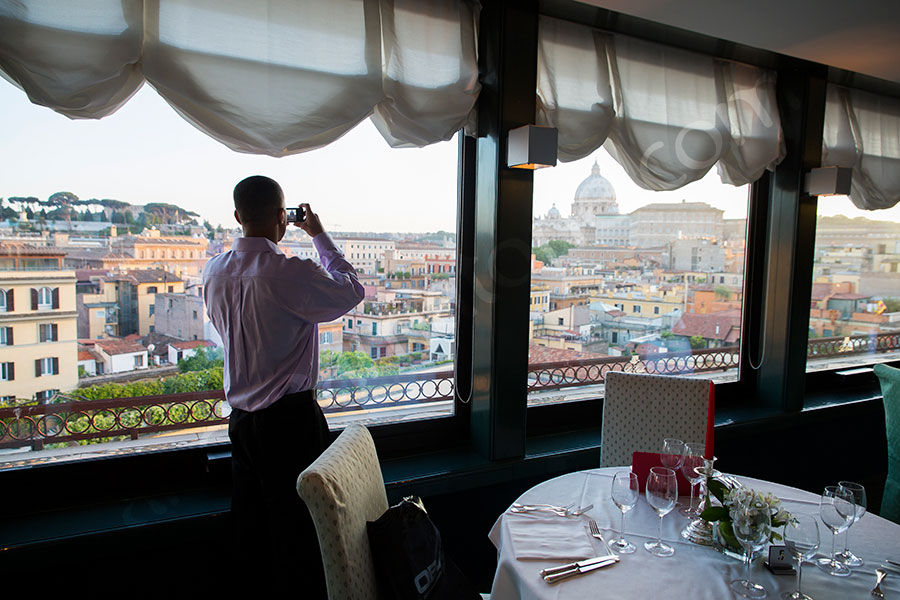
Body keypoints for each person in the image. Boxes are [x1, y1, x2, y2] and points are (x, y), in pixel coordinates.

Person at [203, 175, 364, 594]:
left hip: (240, 423)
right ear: (283, 217)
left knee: (252, 530)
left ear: (238, 216)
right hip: (289, 422)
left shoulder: (213, 272)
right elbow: (352, 291)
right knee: (303, 532)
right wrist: (319, 235)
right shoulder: (291, 274)